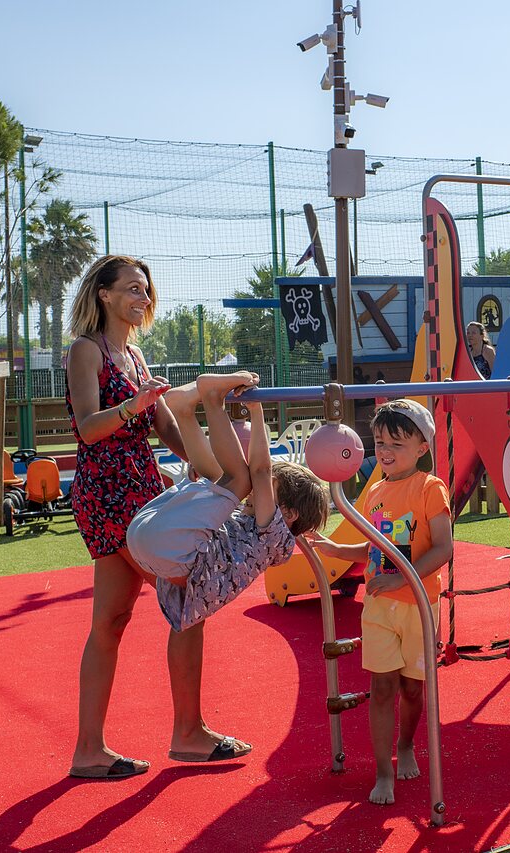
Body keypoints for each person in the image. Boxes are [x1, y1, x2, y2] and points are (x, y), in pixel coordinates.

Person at [65, 255, 238, 780]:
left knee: (110, 622)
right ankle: (188, 733)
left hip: (141, 490)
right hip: (108, 493)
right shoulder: (86, 351)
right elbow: (88, 429)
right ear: (104, 295)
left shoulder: (136, 357)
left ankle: (88, 751)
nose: (144, 297)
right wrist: (132, 406)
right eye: (133, 289)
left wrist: (213, 460)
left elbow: (169, 431)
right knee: (188, 596)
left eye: (146, 289)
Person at [308, 399, 453, 806]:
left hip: (419, 605)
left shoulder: (430, 487)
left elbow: (443, 548)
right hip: (378, 607)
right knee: (383, 686)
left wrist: (400, 576)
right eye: (380, 441)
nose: (385, 450)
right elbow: (374, 549)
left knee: (412, 689)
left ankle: (405, 744)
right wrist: (337, 549)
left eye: (397, 443)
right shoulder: (374, 491)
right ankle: (384, 770)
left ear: (422, 447)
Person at [126, 372, 328, 634]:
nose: (256, 491)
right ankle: (184, 412)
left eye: (268, 490)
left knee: (239, 479)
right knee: (220, 478)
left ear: (287, 513)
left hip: (165, 548)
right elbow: (256, 475)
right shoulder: (249, 528)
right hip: (150, 542)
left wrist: (256, 412)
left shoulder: (275, 538)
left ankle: (212, 399)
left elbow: (260, 471)